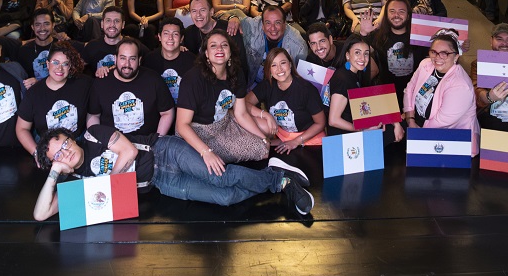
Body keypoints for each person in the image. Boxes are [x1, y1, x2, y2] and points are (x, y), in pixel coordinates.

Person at [33, 121, 314, 221]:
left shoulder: (93, 134)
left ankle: (279, 180)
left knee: (223, 177)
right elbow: (41, 214)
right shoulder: (75, 179)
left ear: (71, 138)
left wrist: (105, 184)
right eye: (58, 155)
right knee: (225, 198)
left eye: (65, 143)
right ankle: (275, 175)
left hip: (164, 151)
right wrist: (54, 174)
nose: (66, 151)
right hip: (161, 181)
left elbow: (129, 152)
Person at [175, 30, 277, 167]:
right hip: (198, 131)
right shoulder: (192, 79)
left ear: (230, 51)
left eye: (224, 45)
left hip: (224, 123)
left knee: (263, 147)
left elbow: (241, 114)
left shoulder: (236, 72)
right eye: (213, 45)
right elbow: (182, 125)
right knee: (207, 162)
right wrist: (206, 152)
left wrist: (264, 139)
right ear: (206, 53)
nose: (219, 48)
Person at [402, 29, 479, 156]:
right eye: (434, 52)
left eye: (444, 53)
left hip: (449, 141)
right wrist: (410, 119)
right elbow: (409, 89)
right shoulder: (426, 64)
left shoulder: (460, 85)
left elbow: (441, 121)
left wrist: (416, 137)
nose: (437, 57)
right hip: (416, 122)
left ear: (456, 56)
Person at [87, 37, 175, 137]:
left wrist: (158, 139)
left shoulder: (154, 79)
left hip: (147, 142)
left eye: (132, 59)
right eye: (123, 58)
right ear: (115, 59)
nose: (127, 64)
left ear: (139, 60)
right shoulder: (101, 82)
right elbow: (93, 115)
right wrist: (98, 139)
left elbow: (167, 112)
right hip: (111, 144)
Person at [15, 42, 91, 155]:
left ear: (70, 66)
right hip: (47, 148)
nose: (60, 68)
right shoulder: (34, 93)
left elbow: (94, 112)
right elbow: (21, 129)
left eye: (65, 64)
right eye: (55, 62)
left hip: (78, 143)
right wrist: (37, 153)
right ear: (47, 64)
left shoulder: (83, 84)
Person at [246, 48, 326, 152]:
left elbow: (320, 123)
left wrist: (296, 141)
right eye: (274, 65)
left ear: (290, 64)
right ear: (269, 69)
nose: (279, 69)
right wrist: (265, 115)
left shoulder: (306, 89)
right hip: (282, 138)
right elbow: (244, 104)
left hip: (309, 139)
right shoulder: (267, 85)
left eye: (283, 63)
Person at [326, 35, 404, 141]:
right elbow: (333, 120)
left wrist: (395, 122)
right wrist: (363, 130)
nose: (362, 58)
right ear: (347, 55)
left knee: (398, 125)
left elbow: (373, 101)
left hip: (359, 122)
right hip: (345, 137)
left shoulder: (355, 73)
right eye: (357, 53)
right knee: (398, 131)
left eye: (366, 54)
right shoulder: (343, 79)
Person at [239, 5, 309, 86]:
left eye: (277, 22)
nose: (273, 28)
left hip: (282, 87)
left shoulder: (298, 46)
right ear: (262, 25)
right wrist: (233, 18)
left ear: (285, 24)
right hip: (253, 83)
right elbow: (234, 13)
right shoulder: (253, 25)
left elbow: (300, 79)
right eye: (268, 23)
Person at [143, 17, 197, 106]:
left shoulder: (193, 61)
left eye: (175, 34)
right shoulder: (149, 60)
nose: (170, 38)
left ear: (181, 38)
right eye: (166, 33)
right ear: (159, 37)